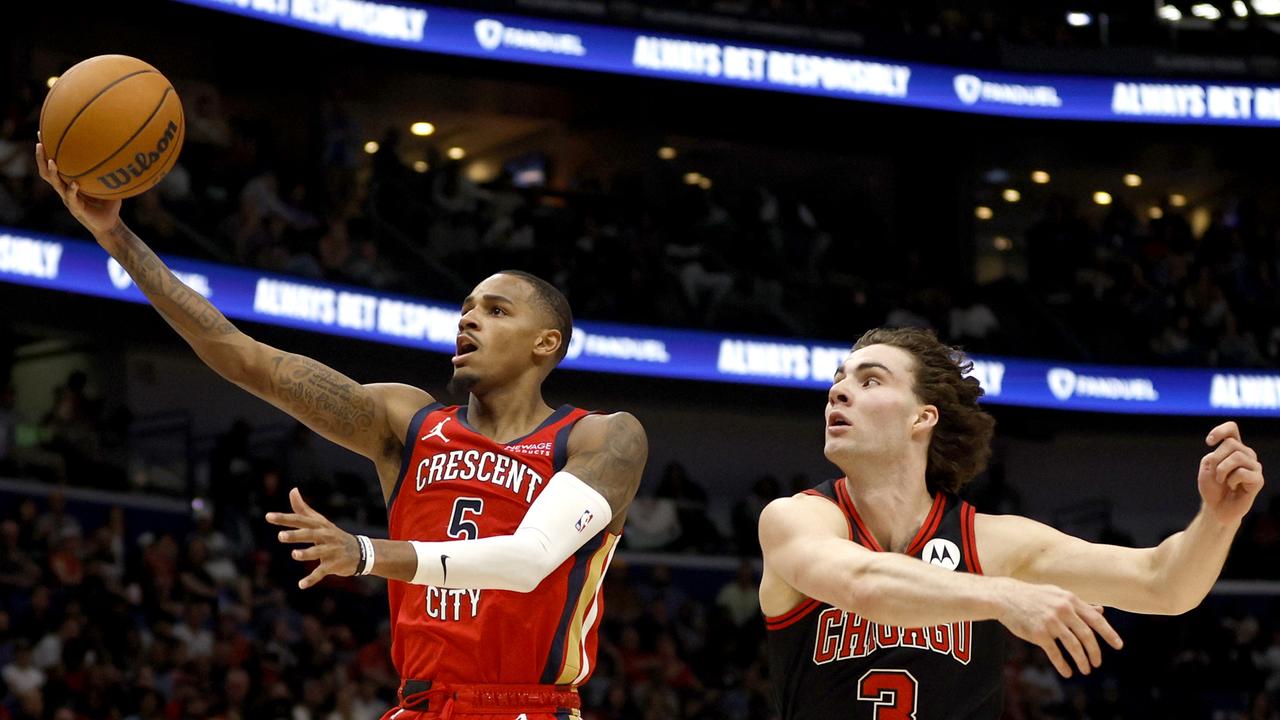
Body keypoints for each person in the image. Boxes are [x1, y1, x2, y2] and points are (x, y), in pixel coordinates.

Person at [36, 141, 648, 720]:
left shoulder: (601, 438)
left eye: (495, 310)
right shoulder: (407, 424)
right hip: (418, 703)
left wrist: (362, 554)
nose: (469, 319)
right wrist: (115, 236)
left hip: (526, 705)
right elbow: (243, 356)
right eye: (465, 309)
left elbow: (529, 560)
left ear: (547, 343)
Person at [758, 327, 1266, 719]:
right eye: (838, 381)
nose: (838, 393)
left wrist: (1218, 520)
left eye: (869, 380)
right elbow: (860, 583)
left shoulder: (989, 541)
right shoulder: (797, 518)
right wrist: (1003, 596)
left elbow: (1165, 585)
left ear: (923, 417)